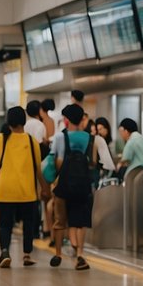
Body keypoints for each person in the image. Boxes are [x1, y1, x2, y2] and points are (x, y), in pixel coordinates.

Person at [0, 106, 45, 269]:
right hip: (28, 192)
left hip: (5, 190)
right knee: (28, 223)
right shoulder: (32, 141)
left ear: (8, 121)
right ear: (24, 121)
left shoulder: (1, 139)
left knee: (5, 224)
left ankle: (5, 251)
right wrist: (44, 187)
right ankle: (26, 255)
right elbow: (38, 169)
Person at [52, 104, 97, 270]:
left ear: (66, 120)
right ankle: (80, 253)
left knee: (59, 221)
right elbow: (92, 162)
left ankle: (58, 253)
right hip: (83, 184)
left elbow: (57, 162)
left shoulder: (59, 137)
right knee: (79, 222)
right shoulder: (89, 138)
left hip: (63, 184)